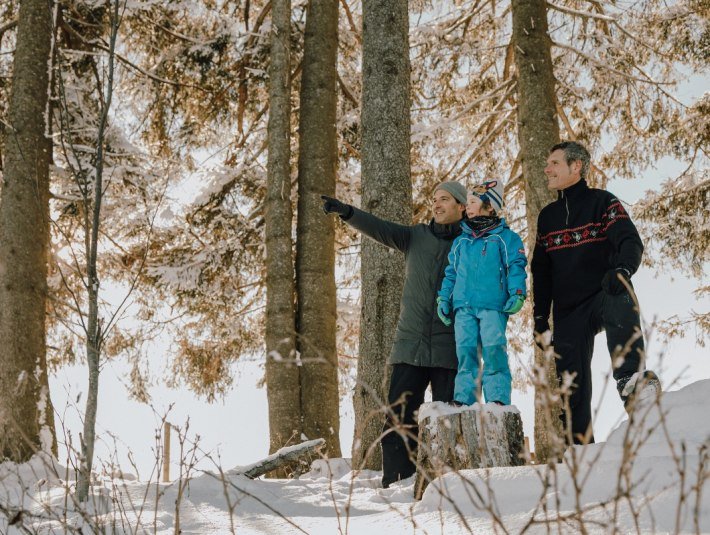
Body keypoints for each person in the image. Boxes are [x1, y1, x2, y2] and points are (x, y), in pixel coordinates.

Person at [321, 182, 466, 488]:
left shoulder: (470, 242)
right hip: (410, 344)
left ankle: (445, 486)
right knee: (399, 417)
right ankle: (399, 483)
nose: (437, 204)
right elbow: (379, 228)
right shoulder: (416, 237)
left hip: (450, 346)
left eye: (444, 199)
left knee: (447, 419)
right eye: (434, 199)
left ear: (462, 205)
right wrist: (347, 212)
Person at [531, 141, 660, 445]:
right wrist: (540, 316)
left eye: (554, 163)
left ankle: (631, 383)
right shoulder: (546, 218)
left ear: (575, 167)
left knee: (620, 291)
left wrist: (623, 269)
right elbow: (541, 271)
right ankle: (579, 450)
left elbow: (630, 240)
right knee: (571, 386)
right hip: (567, 313)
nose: (547, 169)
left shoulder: (603, 202)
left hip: (603, 295)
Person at [437, 181, 527, 407]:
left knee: (494, 350)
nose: (468, 207)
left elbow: (516, 265)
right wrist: (444, 298)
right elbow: (451, 273)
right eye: (467, 203)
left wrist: (517, 293)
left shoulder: (505, 238)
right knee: (465, 352)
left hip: (492, 305)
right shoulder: (461, 241)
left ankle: (497, 397)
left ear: (490, 207)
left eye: (474, 202)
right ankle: (463, 399)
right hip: (463, 306)